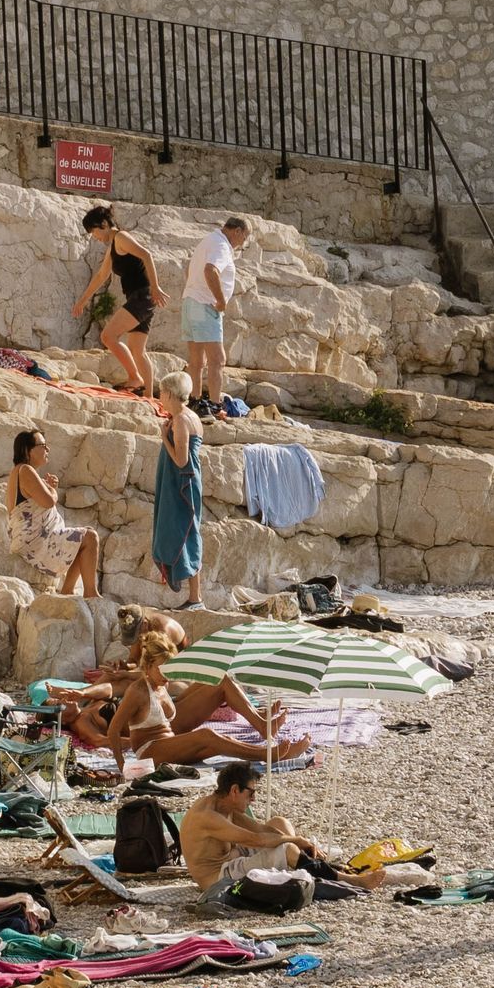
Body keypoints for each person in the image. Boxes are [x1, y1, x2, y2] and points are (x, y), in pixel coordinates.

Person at [178, 767, 370, 905]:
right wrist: (295, 840)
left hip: (233, 860)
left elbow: (261, 830)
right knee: (286, 847)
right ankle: (348, 879)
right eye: (251, 793)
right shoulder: (207, 816)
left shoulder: (225, 805)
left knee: (279, 823)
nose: (253, 799)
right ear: (235, 790)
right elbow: (257, 840)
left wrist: (299, 843)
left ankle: (307, 863)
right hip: (218, 878)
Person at [106, 628, 278, 775]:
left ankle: (265, 749)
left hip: (169, 744)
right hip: (150, 751)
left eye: (170, 668)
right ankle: (267, 754)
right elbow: (113, 730)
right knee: (207, 735)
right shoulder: (137, 691)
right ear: (149, 666)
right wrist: (122, 765)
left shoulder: (159, 684)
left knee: (218, 743)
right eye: (162, 669)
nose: (167, 674)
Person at [73, 204, 163, 396]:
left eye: (95, 231)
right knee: (137, 350)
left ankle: (135, 378)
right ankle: (148, 394)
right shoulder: (113, 247)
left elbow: (146, 255)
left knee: (108, 336)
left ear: (104, 224)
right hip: (141, 298)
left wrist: (155, 287)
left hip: (142, 297)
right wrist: (82, 301)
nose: (95, 237)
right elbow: (101, 276)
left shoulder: (121, 238)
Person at [4, 429, 100, 597]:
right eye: (43, 445)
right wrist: (53, 491)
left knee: (79, 542)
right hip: (34, 543)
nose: (48, 449)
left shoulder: (20, 471)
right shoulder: (25, 470)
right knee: (90, 537)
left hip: (28, 541)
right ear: (28, 450)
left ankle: (67, 591)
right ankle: (91, 593)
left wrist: (50, 488)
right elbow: (49, 501)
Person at [182, 217, 248, 411]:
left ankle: (195, 400)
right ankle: (214, 403)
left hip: (191, 301)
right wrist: (220, 299)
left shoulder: (208, 240)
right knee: (217, 360)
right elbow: (210, 270)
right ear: (237, 231)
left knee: (197, 359)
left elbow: (189, 269)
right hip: (206, 305)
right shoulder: (221, 246)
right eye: (244, 238)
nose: (243, 243)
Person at [152, 381, 205, 606]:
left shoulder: (182, 419)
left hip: (181, 483)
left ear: (172, 393)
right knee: (187, 531)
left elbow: (182, 461)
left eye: (163, 391)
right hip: (181, 481)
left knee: (183, 532)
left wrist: (164, 437)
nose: (160, 395)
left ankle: (195, 597)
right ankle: (194, 597)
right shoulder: (186, 416)